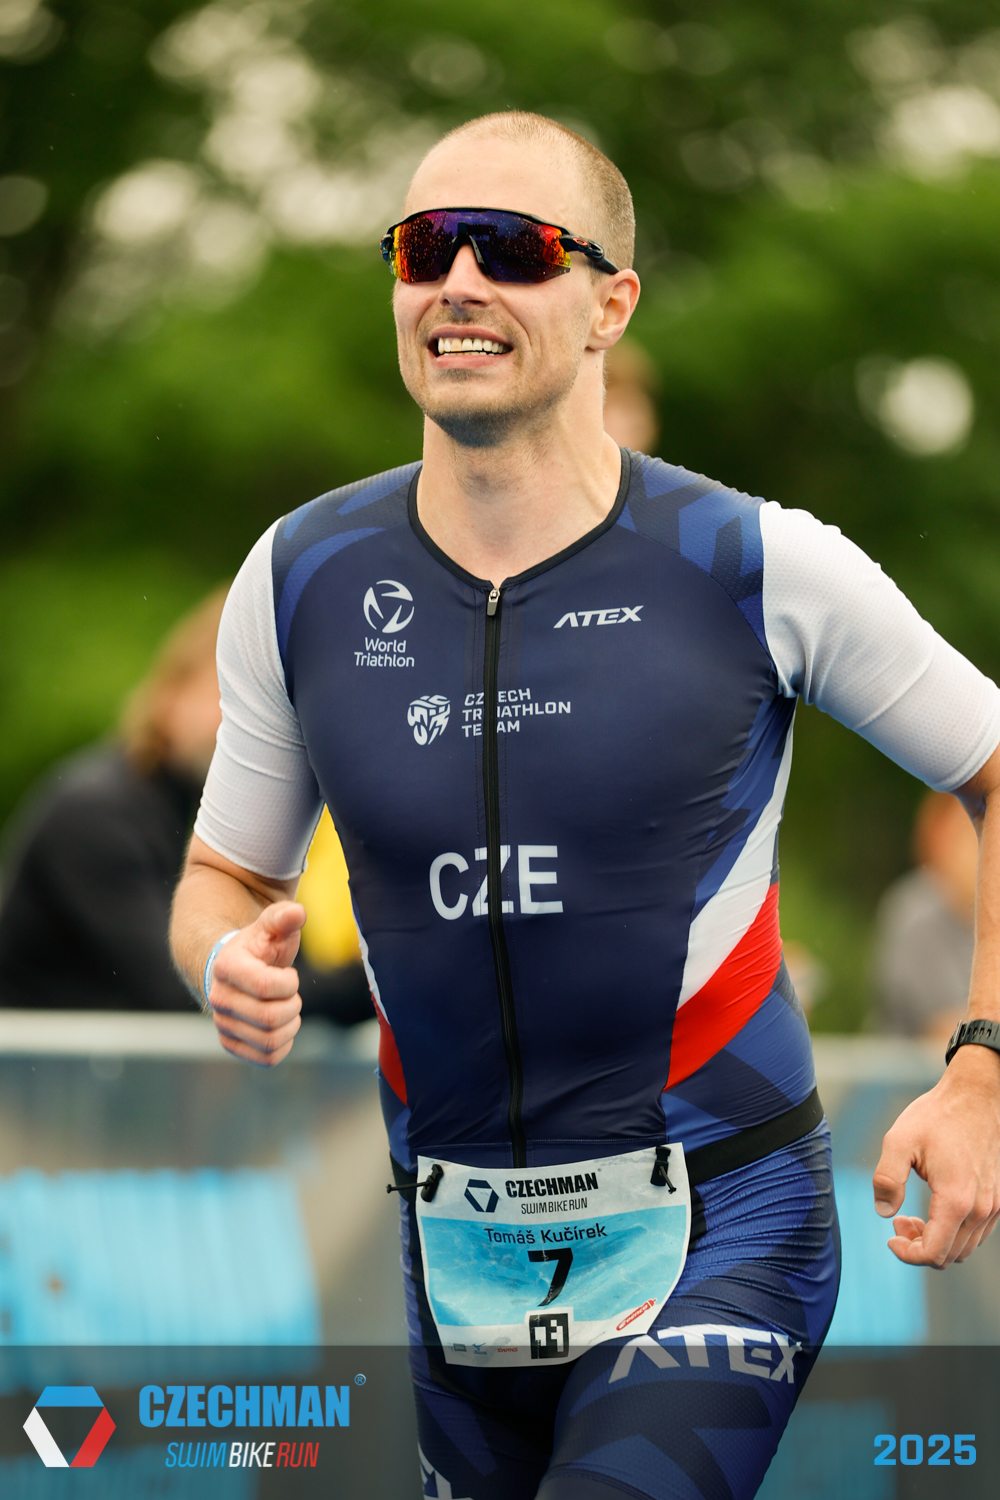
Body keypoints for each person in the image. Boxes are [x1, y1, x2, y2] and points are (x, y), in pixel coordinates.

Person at [170, 113, 1000, 1500]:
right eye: (425, 248)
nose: (459, 281)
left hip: (722, 1223)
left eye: (512, 249)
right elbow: (222, 878)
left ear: (612, 303)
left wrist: (984, 1069)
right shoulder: (300, 575)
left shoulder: (752, 562)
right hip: (456, 1259)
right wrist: (218, 959)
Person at [0, 587, 369, 1023]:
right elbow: (188, 988)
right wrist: (378, 980)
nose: (258, 723)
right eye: (232, 693)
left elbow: (281, 968)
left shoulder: (224, 819)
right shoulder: (93, 817)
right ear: (170, 694)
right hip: (40, 1066)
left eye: (278, 704)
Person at [873, 791, 977, 1044]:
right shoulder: (914, 911)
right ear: (939, 839)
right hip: (915, 1068)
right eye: (971, 834)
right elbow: (944, 1027)